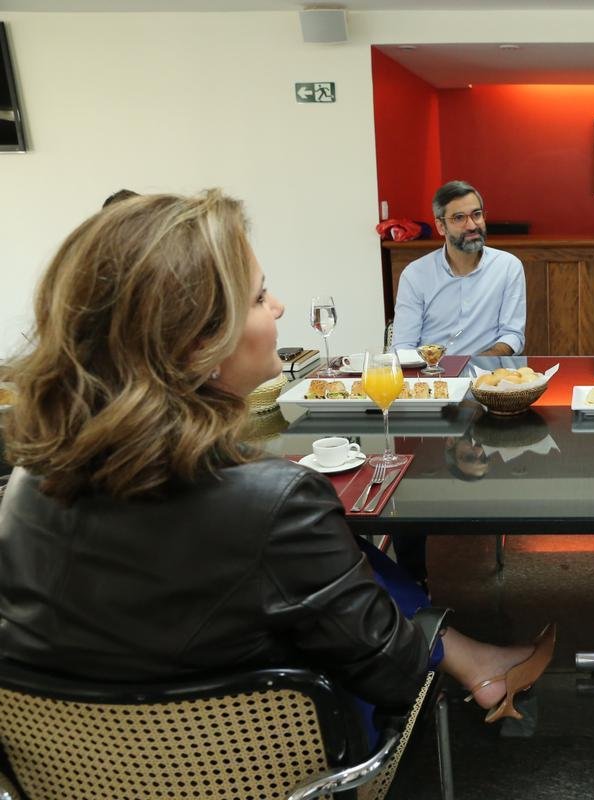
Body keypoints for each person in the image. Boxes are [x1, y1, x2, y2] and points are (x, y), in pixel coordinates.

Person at [0, 190, 555, 742]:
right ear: (201, 340)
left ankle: (476, 658)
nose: (280, 307)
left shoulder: (27, 482)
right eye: (260, 295)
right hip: (258, 750)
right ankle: (475, 660)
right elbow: (395, 676)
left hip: (71, 758)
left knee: (346, 550)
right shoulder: (275, 502)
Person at [391, 180, 526, 356]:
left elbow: (512, 335)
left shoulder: (508, 266)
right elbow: (403, 346)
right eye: (459, 218)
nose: (471, 225)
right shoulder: (415, 275)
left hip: (487, 375)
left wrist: (478, 365)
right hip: (432, 375)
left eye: (476, 214)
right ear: (441, 226)